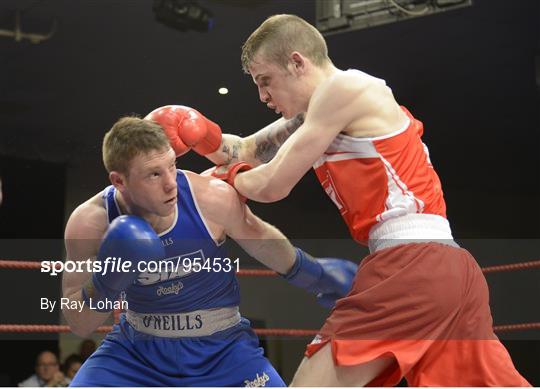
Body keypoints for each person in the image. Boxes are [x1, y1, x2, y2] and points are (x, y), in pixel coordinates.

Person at [148, 14, 531, 387]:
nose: (262, 95)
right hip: (447, 269)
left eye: (266, 81)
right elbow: (248, 149)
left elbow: (273, 185)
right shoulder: (323, 111)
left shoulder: (346, 89)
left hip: (410, 267)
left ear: (297, 62)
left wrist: (224, 179)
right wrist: (203, 135)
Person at [62, 116, 356, 386]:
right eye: (153, 174)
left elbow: (259, 236)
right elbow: (79, 323)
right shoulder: (90, 224)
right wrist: (107, 280)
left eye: (171, 166)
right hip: (137, 352)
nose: (170, 184)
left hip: (223, 349)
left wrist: (315, 275)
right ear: (119, 181)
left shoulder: (208, 197)